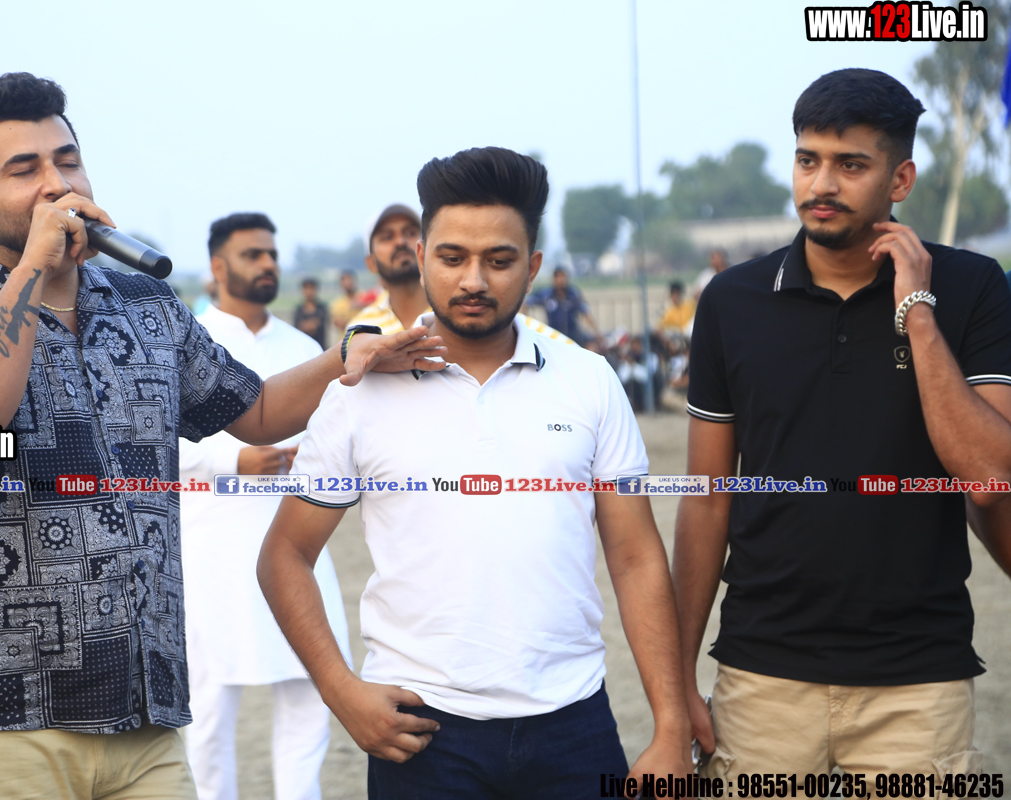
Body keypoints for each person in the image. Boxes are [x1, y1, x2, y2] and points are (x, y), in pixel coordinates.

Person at [0, 72, 444, 800]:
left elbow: (257, 409)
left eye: (68, 161)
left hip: (141, 719)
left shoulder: (145, 305)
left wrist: (348, 356)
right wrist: (33, 270)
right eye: (24, 169)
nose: (57, 184)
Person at [258, 147, 690, 797]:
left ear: (533, 266)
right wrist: (340, 690)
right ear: (422, 257)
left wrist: (671, 724)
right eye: (453, 257)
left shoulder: (589, 381)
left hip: (574, 723)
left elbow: (635, 558)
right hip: (421, 732)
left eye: (499, 260)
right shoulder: (360, 392)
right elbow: (284, 555)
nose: (474, 280)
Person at [674, 68, 1011, 777]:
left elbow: (988, 474)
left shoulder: (973, 286)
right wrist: (674, 683)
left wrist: (917, 312)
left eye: (851, 164)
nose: (821, 184)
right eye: (808, 160)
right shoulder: (732, 301)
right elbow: (705, 500)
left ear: (900, 179)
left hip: (919, 683)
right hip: (761, 675)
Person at [179, 213, 350, 800]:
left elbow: (334, 432)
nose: (268, 264)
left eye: (272, 254)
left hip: (295, 541)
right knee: (207, 708)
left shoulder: (303, 349)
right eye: (253, 254)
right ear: (218, 266)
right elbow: (149, 441)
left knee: (309, 692)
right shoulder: (188, 340)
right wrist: (233, 459)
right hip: (211, 549)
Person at [349, 203, 576, 344]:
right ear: (370, 263)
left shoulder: (475, 311)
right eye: (387, 237)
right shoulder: (358, 333)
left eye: (409, 232)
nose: (400, 242)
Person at [524, 267, 603, 347]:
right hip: (553, 335)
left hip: (573, 334)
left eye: (562, 276)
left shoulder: (573, 294)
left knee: (592, 347)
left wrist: (597, 334)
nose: (560, 280)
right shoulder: (546, 294)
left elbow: (586, 313)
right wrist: (526, 326)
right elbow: (526, 302)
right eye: (557, 277)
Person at [293, 276, 329, 350]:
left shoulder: (322, 308)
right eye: (306, 288)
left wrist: (306, 325)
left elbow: (319, 325)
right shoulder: (299, 310)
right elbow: (297, 328)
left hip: (320, 348)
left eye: (311, 288)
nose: (309, 291)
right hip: (303, 349)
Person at [329, 269, 363, 334]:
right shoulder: (337, 304)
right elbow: (338, 323)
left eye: (349, 279)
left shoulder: (364, 297)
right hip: (346, 338)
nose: (347, 282)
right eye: (344, 280)